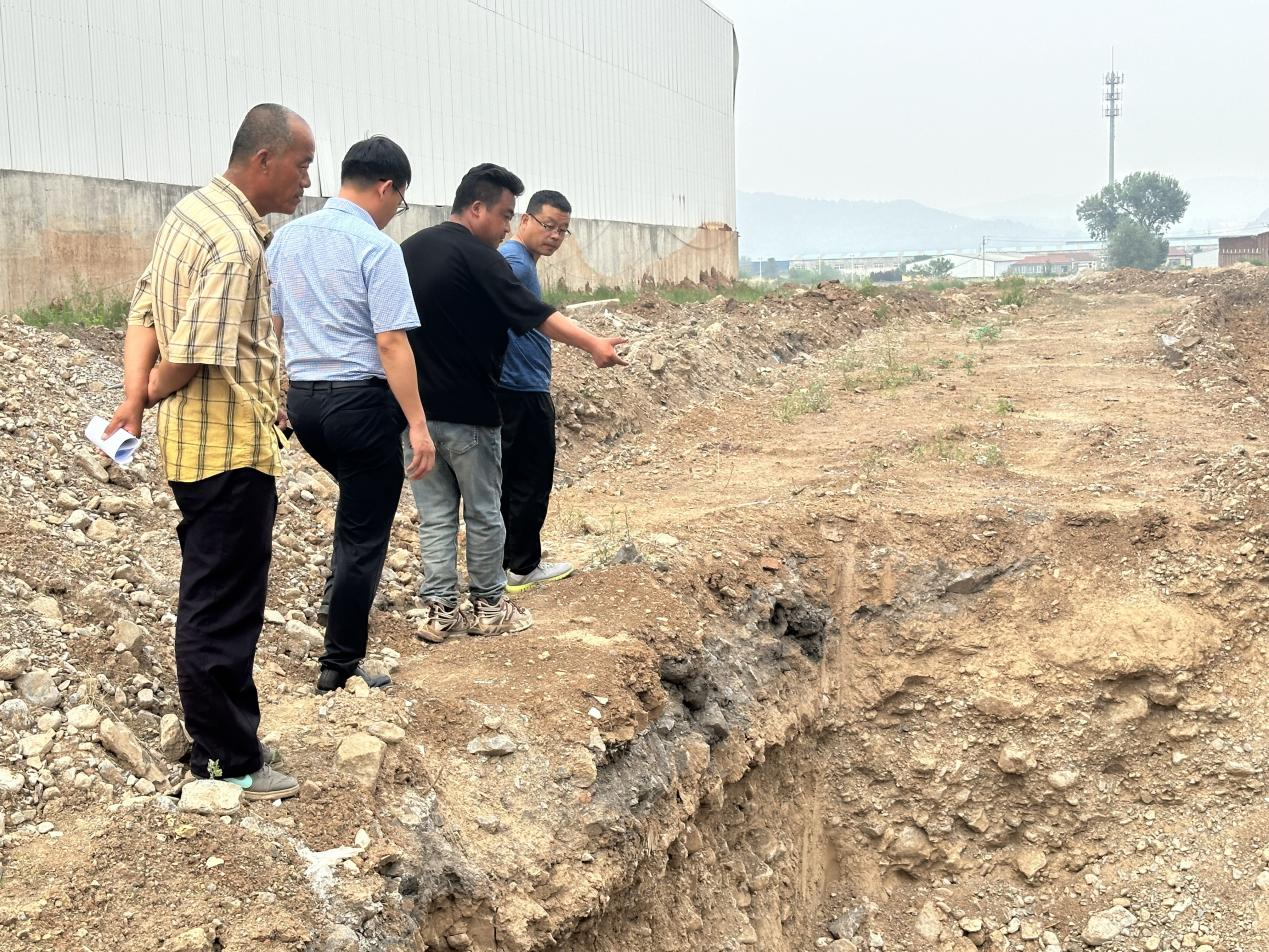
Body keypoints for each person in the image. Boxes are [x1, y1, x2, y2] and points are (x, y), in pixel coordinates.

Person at [103, 103, 313, 800]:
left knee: (215, 595)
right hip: (227, 452)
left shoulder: (189, 214)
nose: (305, 181)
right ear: (264, 159)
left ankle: (230, 741)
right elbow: (190, 356)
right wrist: (147, 392)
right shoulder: (234, 243)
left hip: (195, 449)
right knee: (222, 607)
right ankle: (225, 760)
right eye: (302, 166)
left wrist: (133, 398)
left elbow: (144, 313)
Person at [400, 163, 626, 641]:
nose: (507, 227)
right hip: (472, 414)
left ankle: (440, 612)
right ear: (476, 208)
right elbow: (535, 314)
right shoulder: (483, 258)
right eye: (505, 215)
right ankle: (489, 606)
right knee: (484, 512)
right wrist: (594, 343)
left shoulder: (410, 249)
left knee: (437, 518)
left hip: (417, 415)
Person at [267, 136, 436, 694]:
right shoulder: (377, 248)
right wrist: (417, 424)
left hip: (305, 403)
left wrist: (278, 392)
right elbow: (391, 342)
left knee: (356, 509)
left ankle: (336, 600)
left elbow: (274, 326)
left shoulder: (286, 238)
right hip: (360, 403)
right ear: (387, 187)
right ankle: (339, 663)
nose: (394, 212)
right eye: (400, 202)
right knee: (365, 534)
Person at [496, 190, 575, 593]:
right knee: (530, 477)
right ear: (525, 220)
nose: (555, 235)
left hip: (513, 387)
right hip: (521, 388)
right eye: (548, 225)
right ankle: (523, 566)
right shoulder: (513, 261)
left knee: (510, 478)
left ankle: (504, 563)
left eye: (562, 229)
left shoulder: (520, 260)